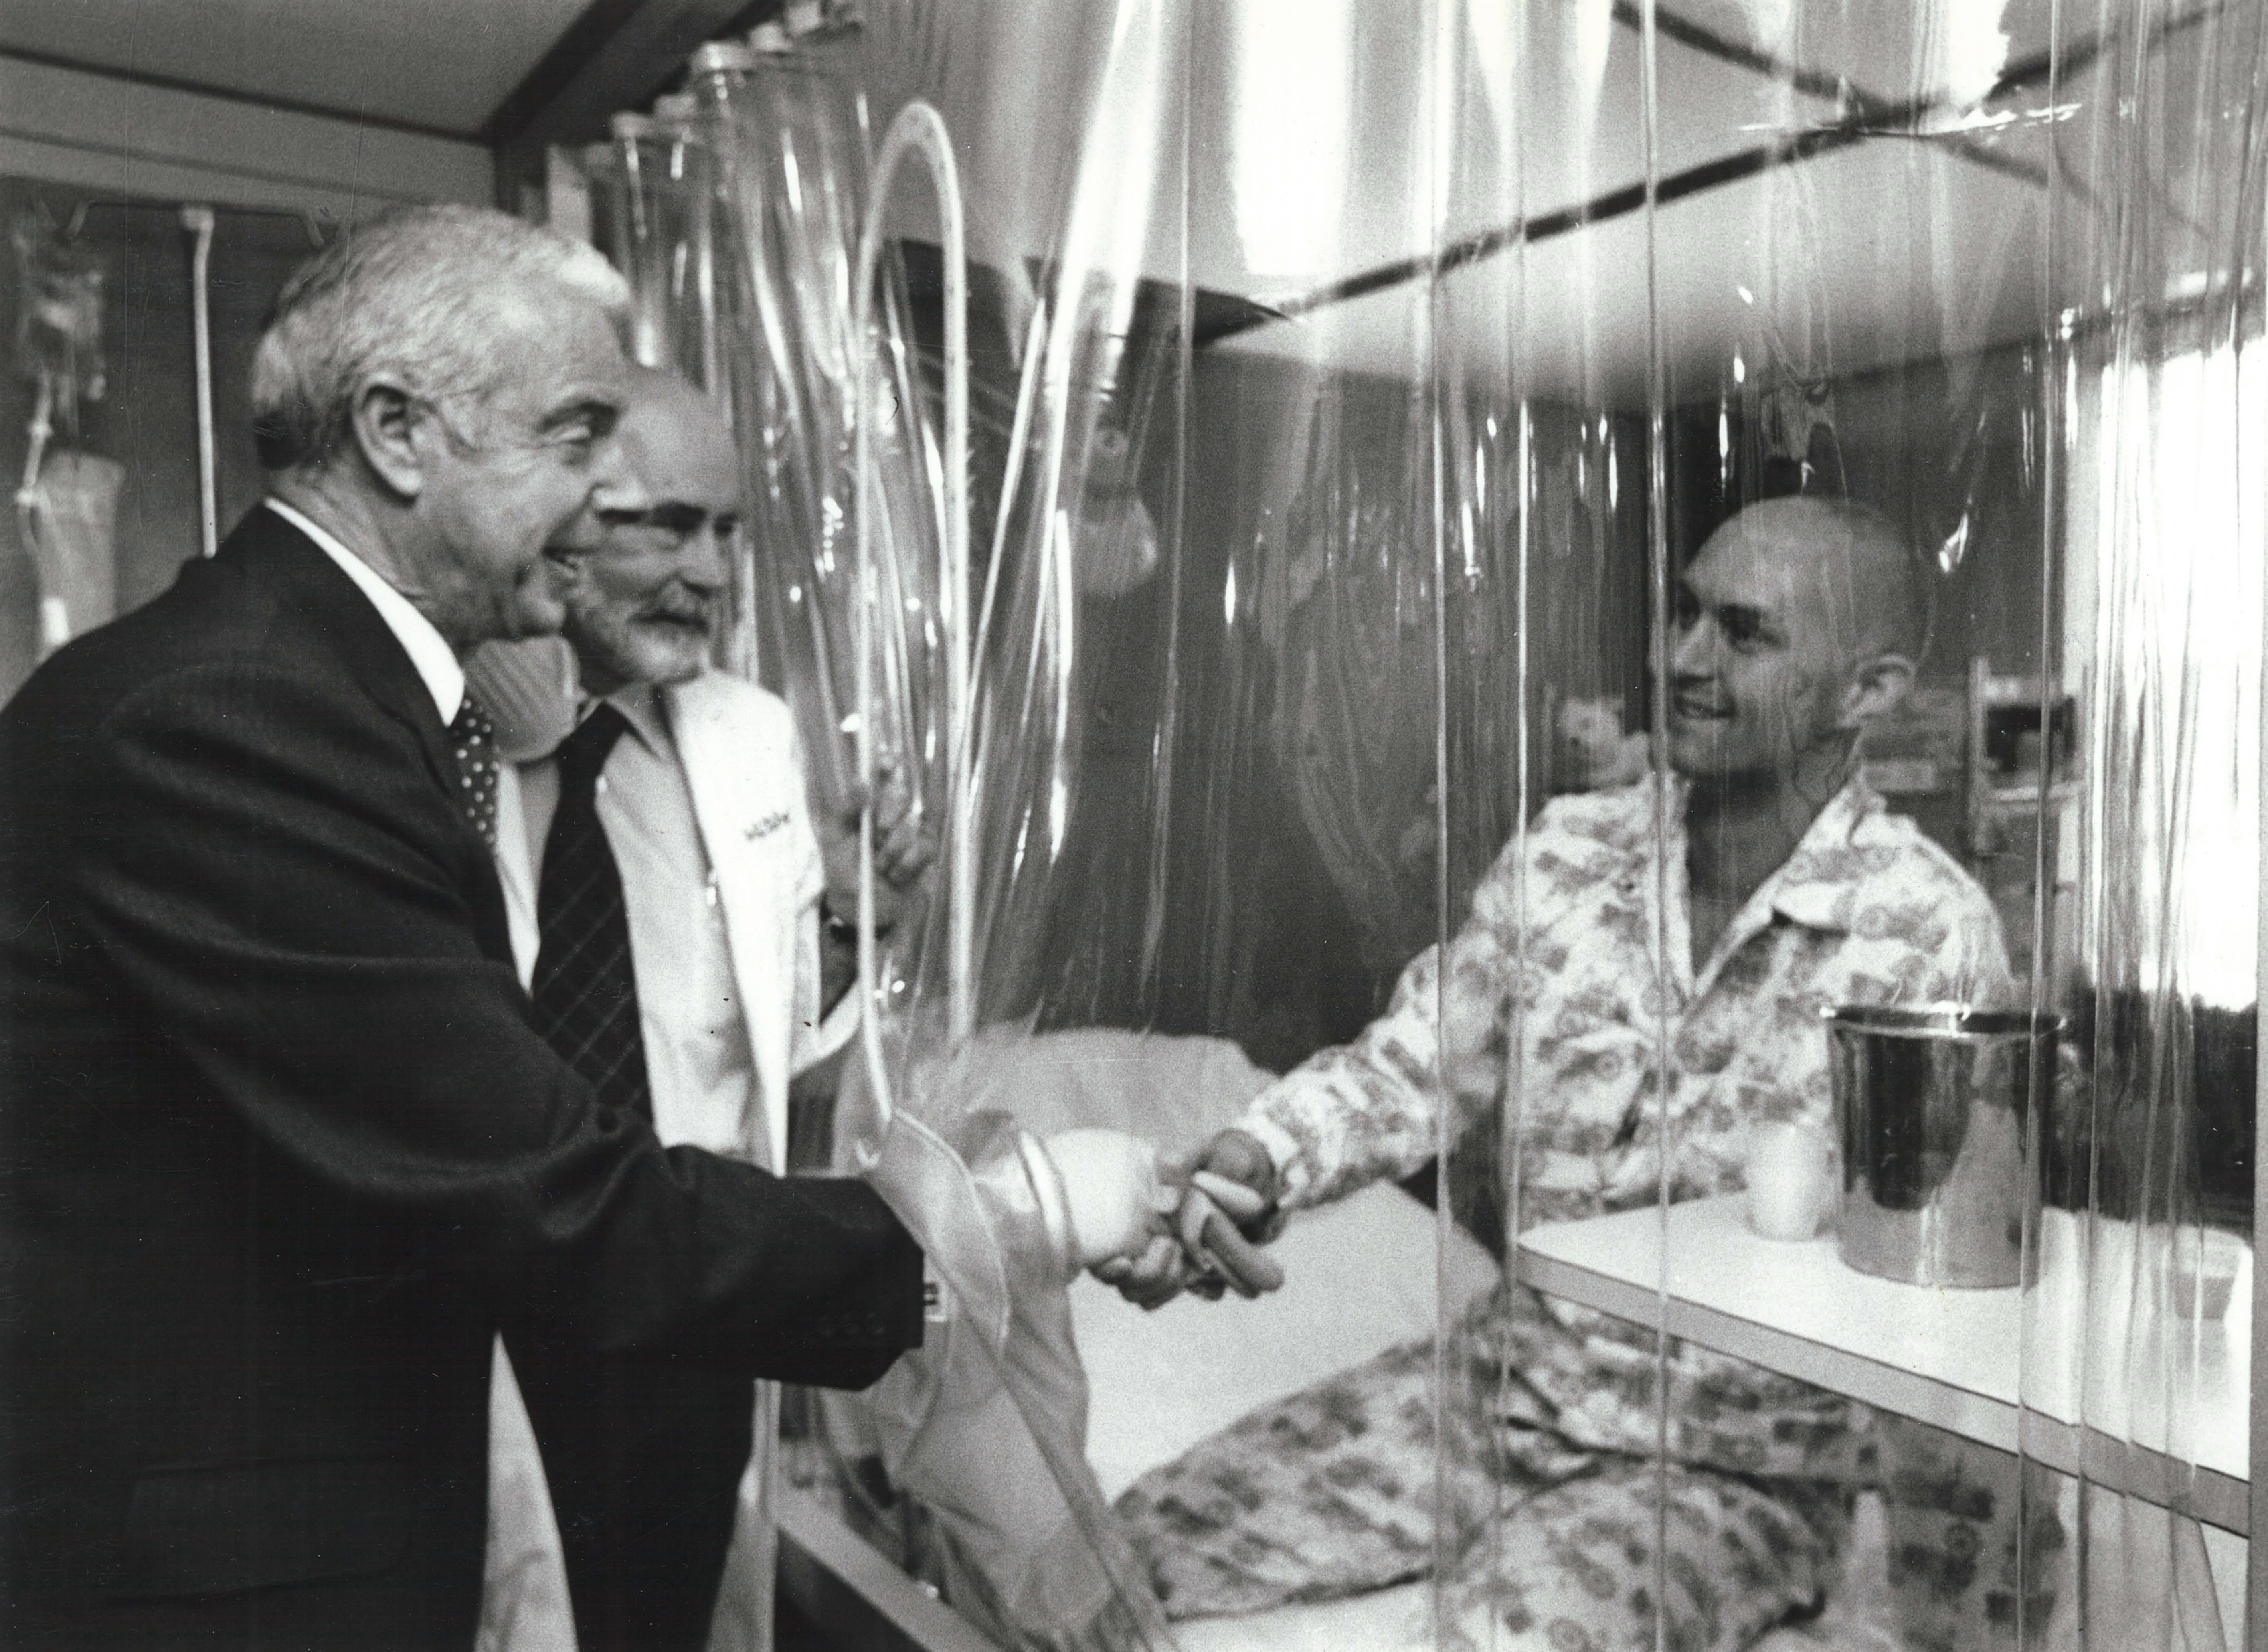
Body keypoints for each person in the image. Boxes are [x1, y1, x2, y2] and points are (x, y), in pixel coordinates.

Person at [0, 206, 925, 1650]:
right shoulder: (242, 721)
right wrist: (982, 1235)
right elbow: (536, 1188)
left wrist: (860, 937)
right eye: (577, 444)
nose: (609, 499)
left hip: (515, 1424)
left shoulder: (336, 696)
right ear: (398, 433)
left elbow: (749, 1074)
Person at [1111, 496, 2055, 1648]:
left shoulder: (1926, 934)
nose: (1677, 658)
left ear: (1867, 692)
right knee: (1119, 1555)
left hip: (1733, 1465)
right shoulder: (1567, 853)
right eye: (1681, 613)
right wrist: (1262, 1155)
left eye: (1742, 634)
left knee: (1499, 1639)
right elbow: (1413, 1065)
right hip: (1505, 1389)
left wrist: (1959, 1619)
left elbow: (1951, 1305)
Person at [468, 369, 932, 1652]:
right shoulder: (448, 737)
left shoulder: (747, 736)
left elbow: (769, 1041)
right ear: (554, 522)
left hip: (688, 1305)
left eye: (727, 531)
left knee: (662, 1616)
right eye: (664, 525)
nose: (711, 571)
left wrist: (847, 919)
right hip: (495, 1309)